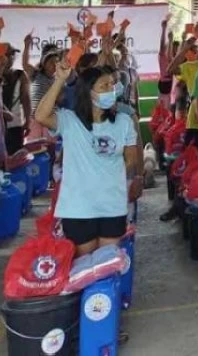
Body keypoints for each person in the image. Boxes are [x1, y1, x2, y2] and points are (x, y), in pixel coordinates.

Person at [34, 59, 142, 256]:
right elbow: (40, 116)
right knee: (83, 269)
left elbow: (131, 160)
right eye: (104, 86)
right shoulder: (69, 120)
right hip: (78, 209)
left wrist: (106, 177)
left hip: (112, 206)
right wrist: (59, 80)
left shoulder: (124, 122)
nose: (111, 89)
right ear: (88, 93)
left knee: (106, 268)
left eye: (112, 84)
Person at [23, 41, 61, 141]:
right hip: (34, 119)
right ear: (44, 63)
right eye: (51, 62)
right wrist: (26, 45)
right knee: (35, 147)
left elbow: (60, 99)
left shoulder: (59, 79)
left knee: (50, 147)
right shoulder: (36, 74)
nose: (54, 64)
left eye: (56, 62)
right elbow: (25, 65)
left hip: (49, 119)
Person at [0, 45, 31, 156]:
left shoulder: (20, 75)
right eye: (7, 55)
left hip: (16, 125)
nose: (10, 57)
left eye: (12, 54)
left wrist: (28, 121)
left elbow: (26, 99)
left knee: (17, 158)